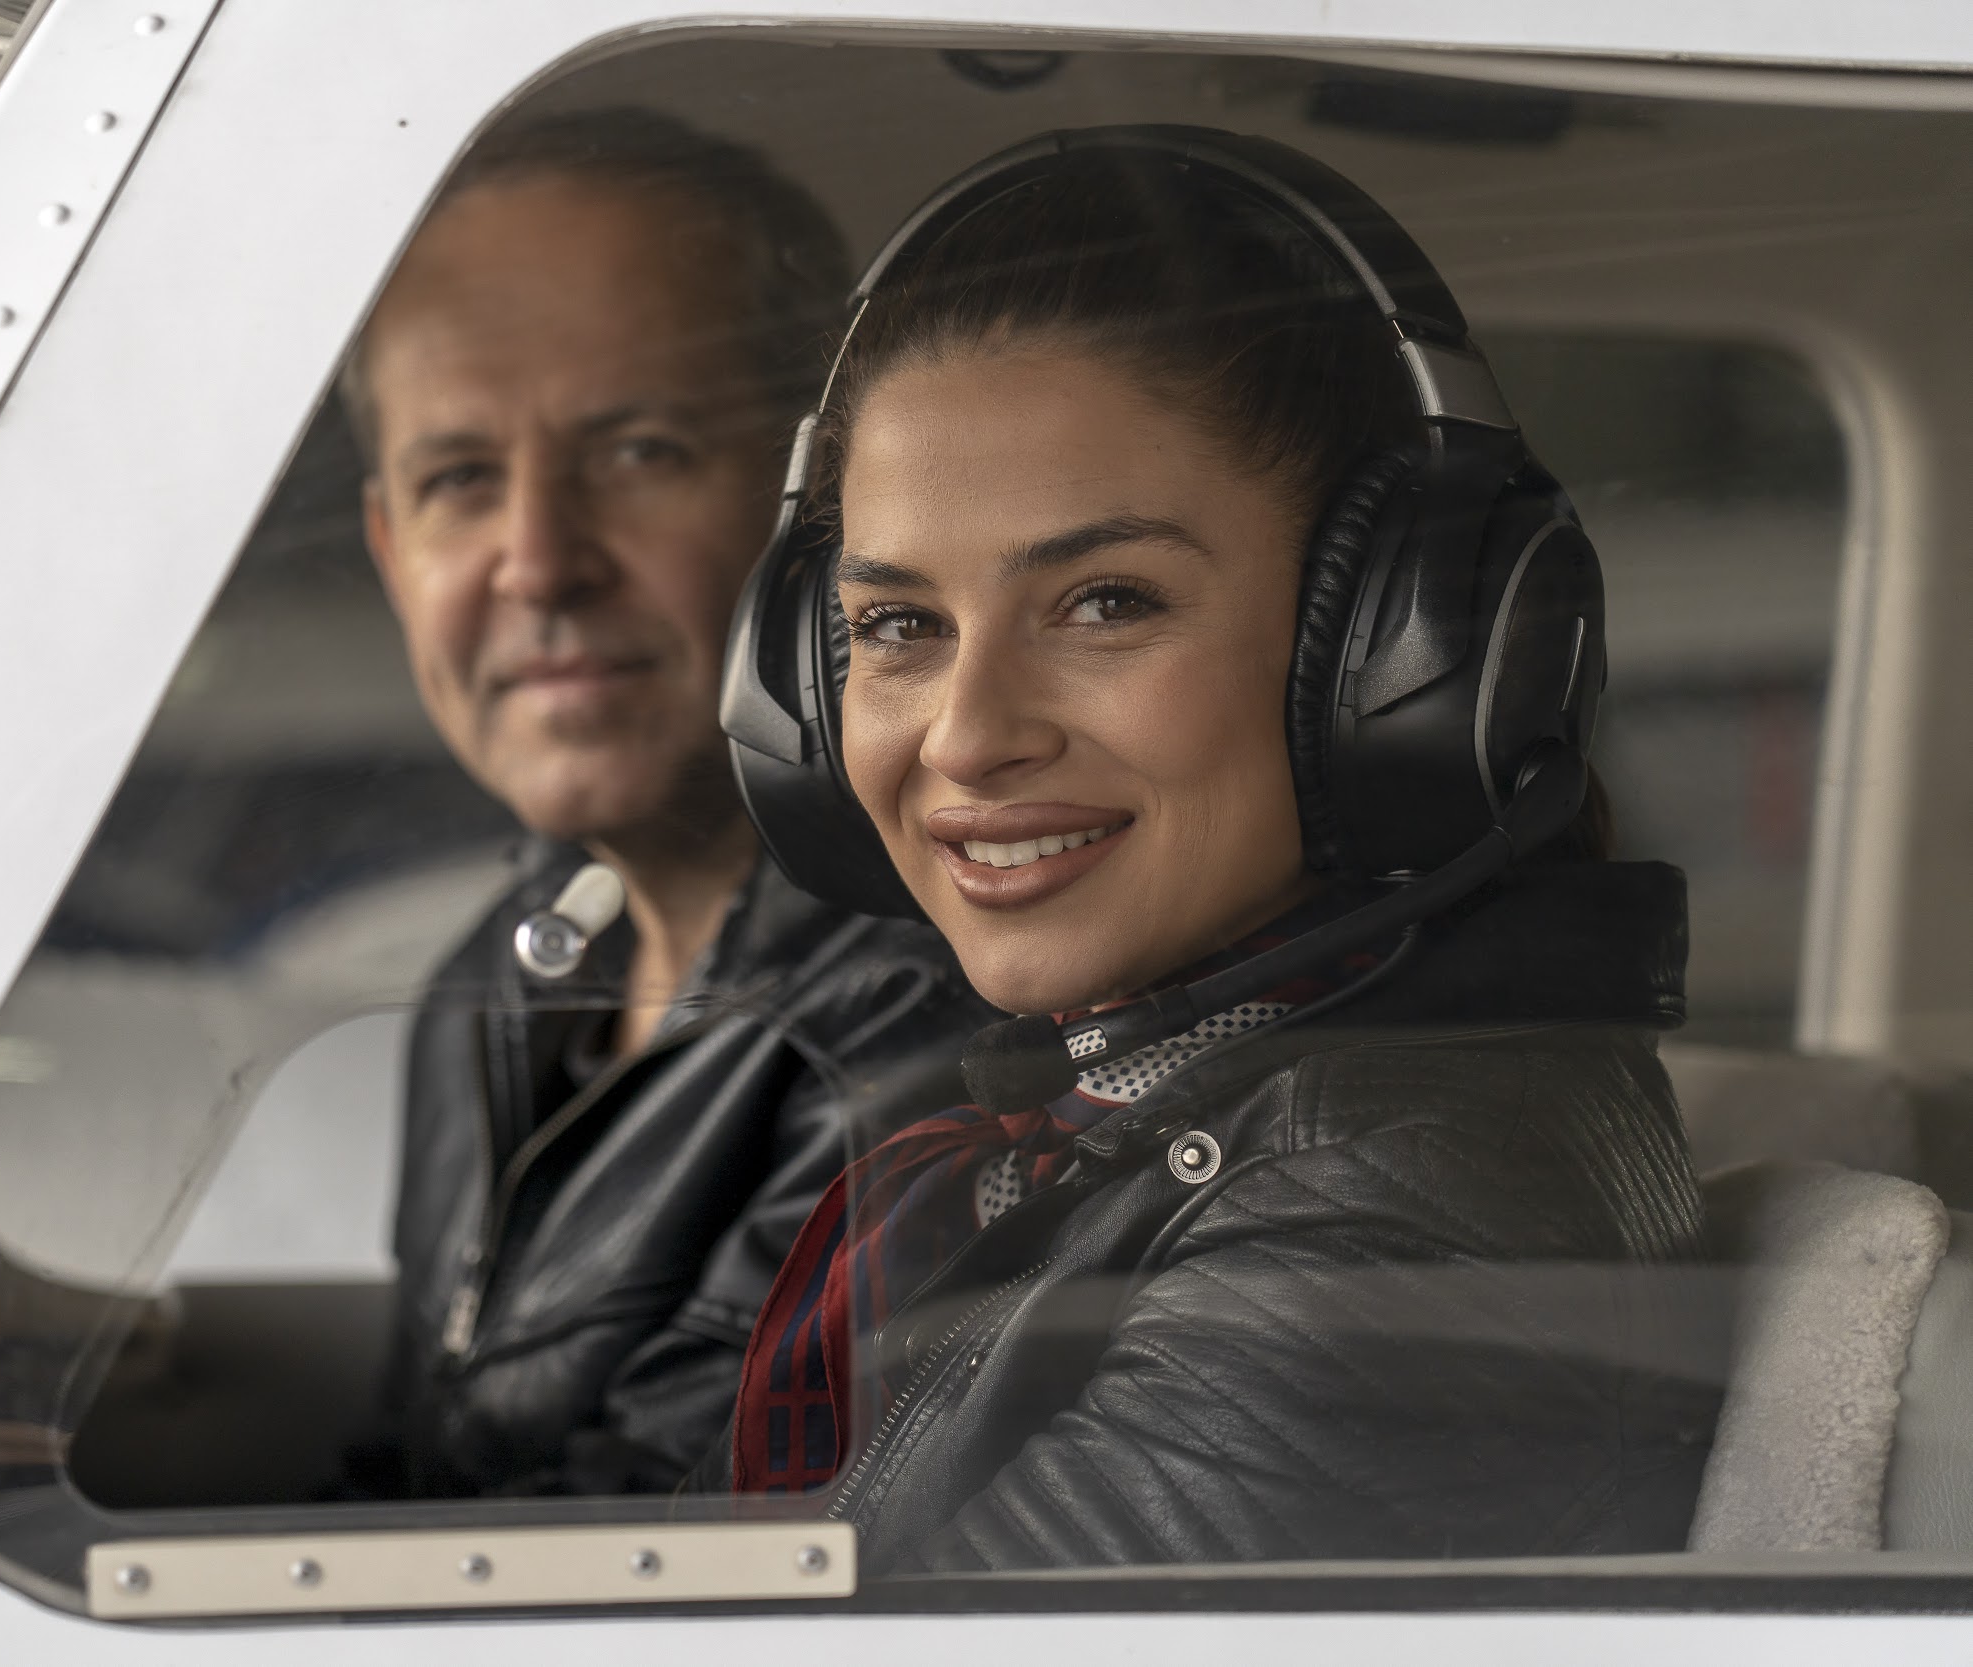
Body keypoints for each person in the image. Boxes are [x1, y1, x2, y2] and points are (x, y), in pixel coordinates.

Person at [717, 130, 1719, 1567]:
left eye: (1107, 602)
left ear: (1390, 657)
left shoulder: (1393, 1203)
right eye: (897, 627)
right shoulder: (1149, 1121)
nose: (964, 734)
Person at [344, 108, 993, 1497]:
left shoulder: (934, 1006)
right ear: (393, 551)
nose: (537, 562)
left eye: (639, 451)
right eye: (460, 479)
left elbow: (638, 1567)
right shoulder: (508, 973)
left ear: (823, 506)